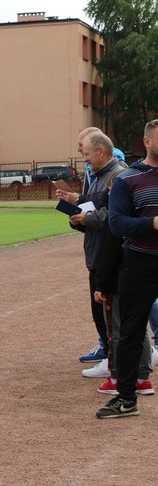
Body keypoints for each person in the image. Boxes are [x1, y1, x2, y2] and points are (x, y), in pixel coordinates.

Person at [96, 119, 158, 418]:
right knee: (130, 332)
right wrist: (153, 223)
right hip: (140, 263)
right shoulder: (127, 179)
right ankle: (126, 398)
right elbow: (117, 223)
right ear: (147, 141)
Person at [57, 130, 123, 375]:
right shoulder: (97, 177)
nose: (84, 158)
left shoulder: (117, 176)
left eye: (86, 153)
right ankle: (112, 356)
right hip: (96, 252)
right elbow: (96, 209)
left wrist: (88, 217)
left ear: (101, 151)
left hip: (110, 255)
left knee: (112, 312)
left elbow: (114, 216)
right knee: (102, 311)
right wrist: (77, 218)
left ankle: (116, 362)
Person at [92, 187, 154, 397]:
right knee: (136, 326)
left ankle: (118, 375)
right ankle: (143, 377)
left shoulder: (117, 218)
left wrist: (101, 282)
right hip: (134, 274)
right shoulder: (138, 214)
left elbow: (109, 252)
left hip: (120, 280)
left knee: (118, 331)